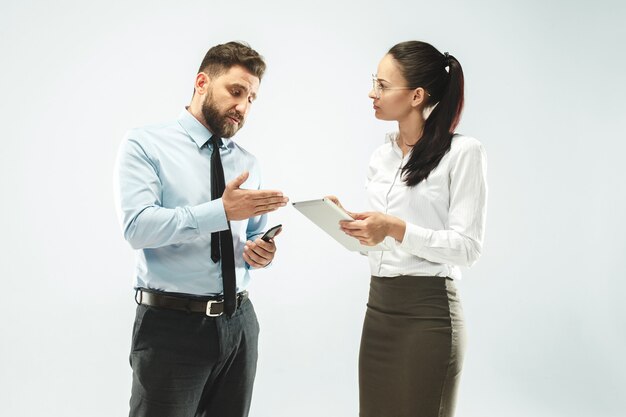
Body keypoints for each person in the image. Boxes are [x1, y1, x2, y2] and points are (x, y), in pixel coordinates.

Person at [114, 41, 289, 417]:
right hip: (171, 328)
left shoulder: (246, 161)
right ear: (202, 83)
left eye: (252, 99)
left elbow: (250, 235)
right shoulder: (145, 145)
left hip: (239, 325)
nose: (242, 107)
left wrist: (261, 251)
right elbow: (137, 228)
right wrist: (219, 212)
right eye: (236, 91)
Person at [329, 41, 487, 417]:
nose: (372, 92)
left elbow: (468, 248)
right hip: (379, 311)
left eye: (383, 85)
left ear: (416, 95)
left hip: (428, 317)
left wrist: (397, 228)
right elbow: (382, 247)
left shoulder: (463, 153)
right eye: (374, 82)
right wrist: (357, 228)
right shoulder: (381, 158)